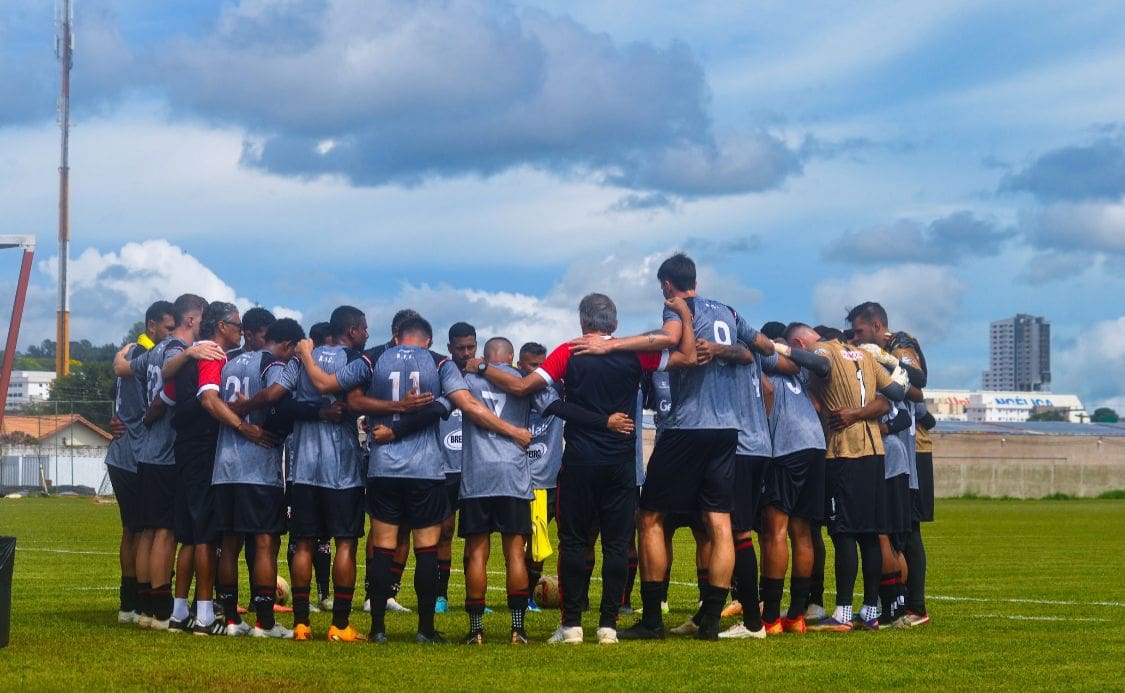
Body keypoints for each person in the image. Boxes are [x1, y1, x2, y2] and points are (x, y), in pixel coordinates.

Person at [572, 254, 775, 641]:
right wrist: (725, 350)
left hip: (687, 426)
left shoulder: (677, 308)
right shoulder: (730, 312)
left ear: (667, 284)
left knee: (649, 518)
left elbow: (667, 339)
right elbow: (762, 348)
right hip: (727, 430)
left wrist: (611, 347)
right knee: (719, 523)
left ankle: (651, 620)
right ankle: (711, 621)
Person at [474, 293, 696, 644]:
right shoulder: (635, 351)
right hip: (621, 464)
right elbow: (688, 356)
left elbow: (521, 386)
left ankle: (572, 624)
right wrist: (682, 313)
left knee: (574, 544)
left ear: (582, 322)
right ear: (615, 323)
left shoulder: (568, 351)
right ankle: (608, 625)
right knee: (617, 545)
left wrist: (483, 368)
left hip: (579, 461)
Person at [306, 315, 531, 644]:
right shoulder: (439, 363)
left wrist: (305, 354)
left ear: (397, 337)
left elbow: (340, 393)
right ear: (428, 340)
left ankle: (378, 629)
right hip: (424, 469)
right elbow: (466, 404)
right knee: (426, 550)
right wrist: (512, 431)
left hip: (383, 467)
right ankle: (425, 630)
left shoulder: (376, 358)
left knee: (383, 548)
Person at [163, 301, 274, 636]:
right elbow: (209, 400)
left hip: (184, 449)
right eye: (237, 325)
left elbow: (166, 385)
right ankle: (206, 616)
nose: (241, 332)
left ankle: (179, 612)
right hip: (202, 450)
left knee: (189, 537)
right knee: (205, 538)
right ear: (222, 326)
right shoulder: (213, 354)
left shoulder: (193, 354)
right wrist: (243, 427)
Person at [112, 293, 215, 631]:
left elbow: (126, 369)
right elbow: (165, 391)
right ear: (192, 320)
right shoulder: (173, 349)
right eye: (202, 320)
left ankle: (142, 605)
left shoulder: (153, 350)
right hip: (167, 451)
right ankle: (158, 609)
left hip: (145, 452)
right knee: (165, 532)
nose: (205, 326)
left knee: (145, 531)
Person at [797, 323, 908, 632]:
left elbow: (818, 363)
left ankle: (843, 613)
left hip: (843, 452)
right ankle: (870, 610)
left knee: (844, 533)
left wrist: (778, 349)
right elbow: (894, 394)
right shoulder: (865, 355)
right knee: (870, 533)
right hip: (874, 453)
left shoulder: (825, 349)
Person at [210, 318, 305, 638]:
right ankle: (265, 622)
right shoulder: (273, 363)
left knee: (229, 543)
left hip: (224, 467)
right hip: (257, 468)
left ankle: (231, 620)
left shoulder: (231, 362)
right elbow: (276, 395)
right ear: (290, 345)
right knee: (265, 542)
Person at [283, 306, 371, 642]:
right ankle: (340, 625)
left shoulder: (300, 358)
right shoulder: (356, 360)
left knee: (303, 543)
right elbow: (360, 403)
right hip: (343, 470)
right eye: (363, 329)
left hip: (303, 467)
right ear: (350, 331)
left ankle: (302, 624)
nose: (366, 336)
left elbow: (281, 401)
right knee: (346, 543)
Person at [847, 301, 933, 627]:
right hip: (895, 452)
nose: (856, 338)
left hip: (903, 453)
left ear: (878, 326)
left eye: (860, 331)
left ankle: (914, 607)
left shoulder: (900, 343)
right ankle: (901, 606)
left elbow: (919, 381)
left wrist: (886, 357)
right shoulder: (871, 353)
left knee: (906, 531)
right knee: (898, 532)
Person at [756, 322, 830, 634]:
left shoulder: (763, 361)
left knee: (775, 531)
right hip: (815, 445)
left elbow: (768, 390)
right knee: (803, 532)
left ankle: (770, 617)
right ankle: (797, 615)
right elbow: (815, 400)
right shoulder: (800, 369)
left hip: (787, 448)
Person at [106, 300, 175, 624]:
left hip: (121, 452)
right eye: (168, 328)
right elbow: (147, 406)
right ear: (152, 326)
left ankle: (129, 604)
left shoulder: (130, 351)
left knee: (133, 530)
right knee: (146, 531)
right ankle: (138, 605)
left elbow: (115, 393)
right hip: (136, 453)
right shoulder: (147, 357)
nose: (173, 336)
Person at [434, 321, 478, 614]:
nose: (466, 352)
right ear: (450, 348)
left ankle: (475, 599)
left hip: (476, 468)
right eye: (460, 347)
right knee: (445, 531)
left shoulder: (484, 377)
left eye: (470, 347)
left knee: (476, 536)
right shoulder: (439, 376)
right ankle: (441, 596)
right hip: (445, 469)